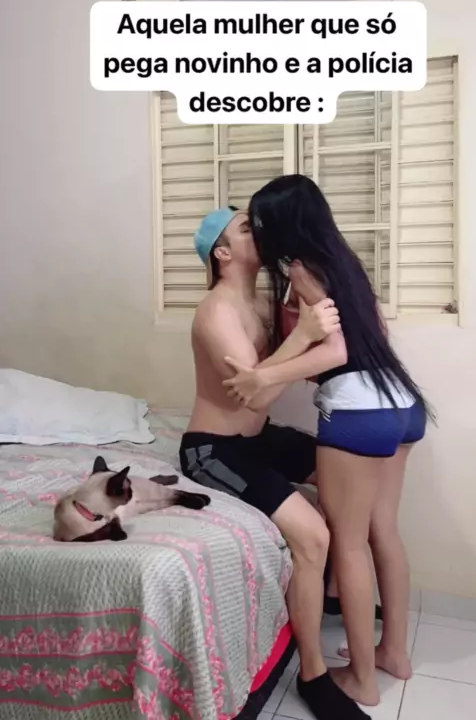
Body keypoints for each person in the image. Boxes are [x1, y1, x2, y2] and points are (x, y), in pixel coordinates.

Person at [223, 175, 431, 708]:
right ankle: (393, 653)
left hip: (359, 410)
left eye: (258, 221)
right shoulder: (342, 262)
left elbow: (335, 352)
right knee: (383, 531)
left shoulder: (302, 271)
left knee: (350, 543)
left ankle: (361, 679)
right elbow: (369, 337)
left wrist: (263, 377)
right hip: (401, 404)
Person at [180, 206, 370, 720]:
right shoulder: (215, 312)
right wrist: (305, 335)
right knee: (312, 535)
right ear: (222, 253)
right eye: (245, 228)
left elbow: (286, 372)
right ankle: (313, 675)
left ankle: (331, 591)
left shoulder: (260, 299)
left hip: (258, 439)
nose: (258, 231)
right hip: (213, 449)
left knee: (345, 475)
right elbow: (256, 394)